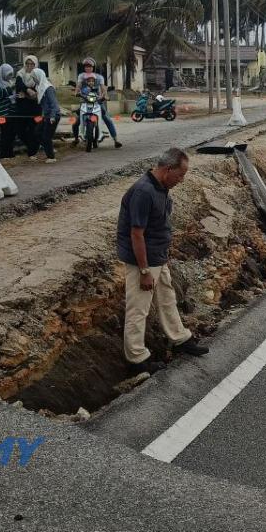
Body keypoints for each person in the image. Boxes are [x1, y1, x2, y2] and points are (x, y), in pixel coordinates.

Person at [117, 148, 209, 369]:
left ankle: (179, 339)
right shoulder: (143, 192)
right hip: (143, 261)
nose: (182, 180)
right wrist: (144, 271)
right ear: (168, 169)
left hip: (157, 256)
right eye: (180, 175)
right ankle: (136, 358)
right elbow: (136, 234)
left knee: (167, 297)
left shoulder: (161, 187)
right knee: (138, 309)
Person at [71, 57, 121, 149]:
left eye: (89, 66)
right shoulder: (81, 76)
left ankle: (116, 140)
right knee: (76, 122)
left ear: (93, 67)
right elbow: (78, 86)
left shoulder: (99, 77)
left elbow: (103, 88)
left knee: (107, 118)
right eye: (86, 66)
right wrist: (76, 92)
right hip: (84, 101)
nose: (88, 68)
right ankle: (76, 139)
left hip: (97, 101)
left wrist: (105, 96)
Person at [13, 55, 42, 158]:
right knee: (20, 130)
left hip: (34, 107)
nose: (29, 66)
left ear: (35, 65)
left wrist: (26, 92)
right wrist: (28, 90)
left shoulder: (38, 75)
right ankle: (31, 148)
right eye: (27, 64)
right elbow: (19, 85)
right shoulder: (20, 73)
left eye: (32, 64)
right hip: (22, 107)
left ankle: (32, 152)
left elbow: (38, 90)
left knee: (33, 130)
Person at [30, 68, 61, 163]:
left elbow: (54, 104)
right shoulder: (41, 88)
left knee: (46, 137)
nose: (34, 80)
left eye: (34, 78)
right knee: (37, 132)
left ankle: (51, 157)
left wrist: (52, 117)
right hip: (46, 116)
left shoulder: (48, 89)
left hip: (53, 116)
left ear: (39, 77)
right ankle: (49, 148)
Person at [0, 63, 19, 158]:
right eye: (8, 74)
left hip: (11, 113)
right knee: (5, 132)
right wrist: (11, 90)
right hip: (1, 114)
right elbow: (0, 93)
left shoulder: (9, 83)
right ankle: (4, 153)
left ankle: (10, 153)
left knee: (11, 132)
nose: (10, 77)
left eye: (11, 75)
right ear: (3, 73)